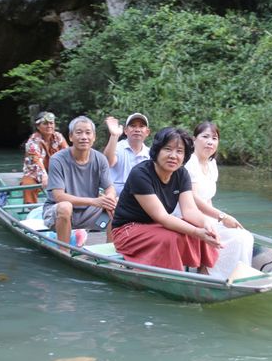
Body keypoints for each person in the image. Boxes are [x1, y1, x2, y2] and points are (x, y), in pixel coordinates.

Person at [111, 127, 222, 272]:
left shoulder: (181, 174)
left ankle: (203, 272)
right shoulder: (141, 174)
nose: (173, 156)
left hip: (156, 226)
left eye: (179, 151)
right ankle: (173, 276)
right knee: (172, 237)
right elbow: (162, 217)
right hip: (127, 230)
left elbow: (189, 210)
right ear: (157, 150)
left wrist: (206, 224)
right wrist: (196, 232)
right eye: (168, 149)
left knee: (199, 229)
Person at [184, 121, 254, 280]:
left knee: (244, 236)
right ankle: (210, 273)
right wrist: (222, 217)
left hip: (207, 217)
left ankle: (234, 276)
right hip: (189, 216)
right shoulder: (190, 163)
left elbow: (207, 200)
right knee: (239, 238)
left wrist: (219, 220)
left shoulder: (212, 164)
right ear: (194, 140)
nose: (210, 141)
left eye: (214, 138)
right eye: (205, 136)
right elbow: (193, 198)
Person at [42, 115, 117, 251]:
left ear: (94, 137)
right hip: (58, 213)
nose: (84, 137)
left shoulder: (100, 159)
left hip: (88, 212)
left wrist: (110, 198)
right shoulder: (57, 159)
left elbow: (109, 187)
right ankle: (64, 252)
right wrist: (94, 201)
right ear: (71, 137)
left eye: (88, 133)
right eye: (79, 132)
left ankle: (109, 252)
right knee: (65, 207)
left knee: (116, 204)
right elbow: (59, 197)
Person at [21, 111, 68, 204]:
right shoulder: (32, 141)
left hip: (55, 170)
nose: (49, 126)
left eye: (51, 123)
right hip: (34, 172)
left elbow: (67, 153)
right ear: (38, 126)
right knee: (28, 184)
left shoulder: (58, 137)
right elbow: (36, 160)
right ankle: (31, 208)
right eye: (45, 124)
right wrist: (44, 175)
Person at [103, 113, 151, 196]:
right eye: (133, 126)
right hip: (115, 198)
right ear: (125, 130)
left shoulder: (151, 154)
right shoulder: (117, 147)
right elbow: (108, 162)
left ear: (147, 132)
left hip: (141, 198)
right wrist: (114, 135)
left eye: (141, 126)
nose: (137, 129)